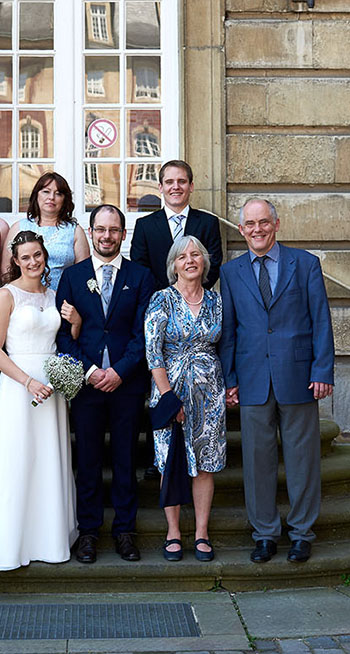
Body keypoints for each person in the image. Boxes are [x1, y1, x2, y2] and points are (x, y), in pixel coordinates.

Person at [218, 198, 335, 564]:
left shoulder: (305, 264)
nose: (257, 229)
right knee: (257, 462)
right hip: (252, 377)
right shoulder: (230, 272)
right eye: (250, 224)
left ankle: (301, 532)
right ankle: (265, 534)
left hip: (298, 376)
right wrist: (230, 379)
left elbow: (321, 321)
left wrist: (322, 371)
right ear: (241, 230)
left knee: (302, 459)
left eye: (263, 222)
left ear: (276, 224)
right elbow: (229, 331)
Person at [0, 231, 77, 571]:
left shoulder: (53, 295)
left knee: (48, 461)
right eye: (26, 257)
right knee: (18, 462)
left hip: (52, 388)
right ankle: (11, 544)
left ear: (45, 256)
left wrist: (74, 325)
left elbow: (63, 340)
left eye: (38, 255)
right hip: (19, 387)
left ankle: (48, 541)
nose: (33, 262)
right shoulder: (6, 296)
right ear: (15, 261)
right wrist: (28, 382)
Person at [56, 205, 155, 563]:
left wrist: (121, 371)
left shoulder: (141, 276)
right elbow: (63, 336)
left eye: (114, 230)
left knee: (126, 458)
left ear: (123, 234)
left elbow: (144, 333)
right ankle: (88, 532)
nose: (107, 236)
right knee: (89, 459)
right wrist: (90, 371)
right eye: (100, 229)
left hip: (126, 385)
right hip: (86, 386)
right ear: (91, 231)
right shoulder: (72, 277)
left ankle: (125, 531)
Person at [144, 235, 226, 562]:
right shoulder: (161, 300)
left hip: (210, 392)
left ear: (204, 263)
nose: (190, 260)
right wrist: (169, 399)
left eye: (196, 255)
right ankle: (173, 532)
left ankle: (202, 532)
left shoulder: (217, 301)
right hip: (170, 391)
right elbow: (153, 353)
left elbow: (226, 343)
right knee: (170, 461)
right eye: (182, 256)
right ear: (173, 265)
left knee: (206, 464)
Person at [131, 160, 223, 291]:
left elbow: (213, 265)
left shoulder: (208, 223)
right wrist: (167, 295)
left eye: (182, 181)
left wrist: (190, 292)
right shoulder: (144, 226)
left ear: (191, 186)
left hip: (196, 300)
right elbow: (140, 267)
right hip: (157, 300)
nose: (176, 187)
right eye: (169, 182)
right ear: (161, 188)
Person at [6, 172, 89, 291]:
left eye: (58, 193)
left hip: (63, 299)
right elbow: (7, 270)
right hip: (24, 298)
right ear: (36, 195)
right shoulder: (18, 227)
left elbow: (83, 274)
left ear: (64, 199)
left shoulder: (74, 231)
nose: (51, 197)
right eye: (46, 191)